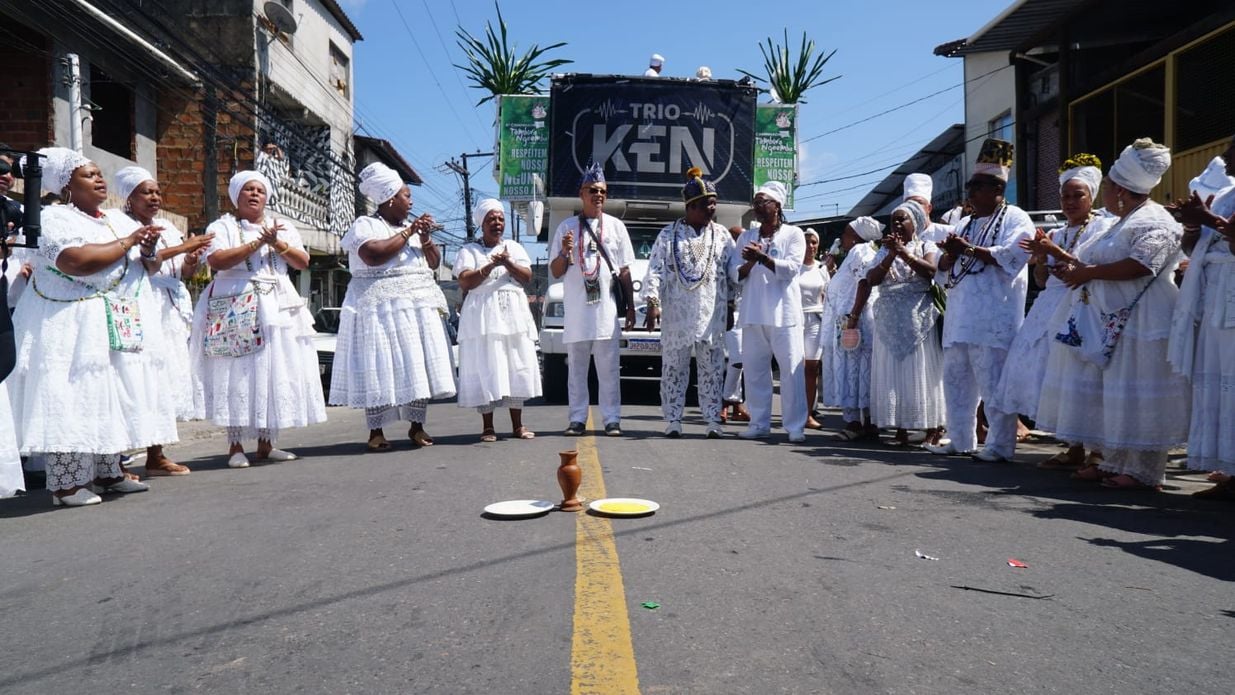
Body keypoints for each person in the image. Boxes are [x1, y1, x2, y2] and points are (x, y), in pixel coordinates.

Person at [7, 148, 172, 506]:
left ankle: (108, 471)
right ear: (66, 185)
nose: (99, 179)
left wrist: (147, 249)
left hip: (109, 320)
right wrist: (129, 242)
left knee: (106, 393)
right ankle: (66, 485)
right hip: (66, 321)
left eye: (99, 174)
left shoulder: (114, 220)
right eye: (89, 174)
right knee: (69, 394)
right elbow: (75, 261)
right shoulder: (52, 218)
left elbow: (152, 267)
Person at [1036, 138, 1188, 490]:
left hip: (1144, 317)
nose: (1103, 192)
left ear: (1120, 190)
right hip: (1111, 317)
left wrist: (1087, 273)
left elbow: (1140, 265)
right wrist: (1074, 269)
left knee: (1139, 389)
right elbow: (1097, 260)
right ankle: (1113, 460)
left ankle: (1144, 471)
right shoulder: (1122, 220)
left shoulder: (1154, 219)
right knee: (1115, 390)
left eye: (1106, 187)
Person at [190, 171, 326, 468]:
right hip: (235, 301)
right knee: (237, 370)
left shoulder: (283, 226)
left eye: (259, 190)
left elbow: (302, 262)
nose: (254, 195)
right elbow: (217, 261)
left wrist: (276, 243)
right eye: (248, 190)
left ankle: (267, 443)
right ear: (236, 196)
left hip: (277, 304)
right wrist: (255, 244)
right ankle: (235, 445)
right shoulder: (223, 225)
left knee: (272, 369)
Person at [992, 154, 1112, 468]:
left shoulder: (1104, 228)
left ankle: (1098, 449)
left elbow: (1090, 267)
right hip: (1050, 306)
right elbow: (1042, 281)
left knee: (1081, 375)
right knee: (1048, 374)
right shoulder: (1057, 232)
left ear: (1091, 196)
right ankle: (1072, 445)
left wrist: (1051, 252)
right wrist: (1042, 258)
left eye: (1078, 195)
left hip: (1083, 305)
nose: (1070, 202)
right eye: (1065, 196)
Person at [924, 138, 1034, 462]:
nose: (970, 193)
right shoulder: (965, 222)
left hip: (994, 318)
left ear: (997, 189)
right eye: (971, 186)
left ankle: (999, 446)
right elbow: (948, 269)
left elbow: (1014, 255)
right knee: (956, 381)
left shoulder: (1016, 218)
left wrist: (966, 251)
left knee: (994, 384)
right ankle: (961, 439)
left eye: (977, 186)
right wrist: (944, 263)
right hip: (960, 315)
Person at [330, 162, 453, 451]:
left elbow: (433, 263)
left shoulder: (409, 232)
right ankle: (376, 431)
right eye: (406, 195)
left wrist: (424, 238)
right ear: (389, 198)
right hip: (378, 309)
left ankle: (417, 427)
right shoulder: (366, 224)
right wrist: (410, 231)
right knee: (379, 366)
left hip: (415, 307)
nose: (411, 201)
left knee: (415, 366)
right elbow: (373, 255)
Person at [114, 167, 213, 476]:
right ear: (129, 197)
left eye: (157, 192)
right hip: (140, 304)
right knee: (132, 379)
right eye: (146, 192)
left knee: (163, 381)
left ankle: (156, 455)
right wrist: (184, 247)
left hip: (169, 310)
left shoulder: (167, 226)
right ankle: (115, 461)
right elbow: (144, 263)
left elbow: (179, 271)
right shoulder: (118, 224)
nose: (154, 197)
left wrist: (190, 260)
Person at [642, 168, 734, 438]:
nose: (713, 207)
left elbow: (732, 272)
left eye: (714, 202)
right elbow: (655, 270)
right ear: (692, 206)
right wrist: (652, 302)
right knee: (673, 368)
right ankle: (673, 420)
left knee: (712, 369)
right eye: (708, 203)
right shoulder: (668, 234)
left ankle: (712, 421)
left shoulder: (723, 235)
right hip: (677, 314)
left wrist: (731, 305)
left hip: (711, 315)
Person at [1168, 136, 1235, 498]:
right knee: (1220, 385)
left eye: (1231, 151)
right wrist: (1192, 226)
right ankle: (1228, 469)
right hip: (1215, 296)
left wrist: (1206, 217)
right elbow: (1198, 246)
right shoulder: (1226, 196)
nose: (1224, 158)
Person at [549, 162, 636, 436]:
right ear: (581, 194)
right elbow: (555, 271)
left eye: (602, 191)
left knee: (609, 369)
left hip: (606, 312)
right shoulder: (567, 226)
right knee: (576, 370)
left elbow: (624, 271)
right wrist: (564, 252)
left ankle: (612, 419)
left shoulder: (616, 227)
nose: (598, 195)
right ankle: (577, 419)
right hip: (576, 313)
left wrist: (631, 307)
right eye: (592, 190)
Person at [848, 201, 945, 446]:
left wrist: (904, 253)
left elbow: (931, 272)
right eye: (894, 221)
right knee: (896, 374)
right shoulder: (884, 251)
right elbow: (871, 279)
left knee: (922, 372)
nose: (898, 224)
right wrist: (891, 254)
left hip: (918, 318)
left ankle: (933, 428)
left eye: (903, 219)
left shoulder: (926, 245)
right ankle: (901, 430)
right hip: (890, 319)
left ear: (916, 223)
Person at [454, 198, 539, 441]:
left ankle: (518, 425)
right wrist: (490, 265)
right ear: (482, 223)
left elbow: (526, 277)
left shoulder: (514, 247)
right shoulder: (469, 250)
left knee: (515, 365)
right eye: (492, 219)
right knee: (487, 365)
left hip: (512, 315)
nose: (497, 223)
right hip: (483, 317)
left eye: (500, 219)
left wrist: (507, 262)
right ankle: (488, 426)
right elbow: (465, 281)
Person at [729, 181, 807, 442]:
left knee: (790, 371)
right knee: (754, 371)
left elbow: (792, 269)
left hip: (784, 314)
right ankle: (759, 423)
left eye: (764, 201)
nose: (758, 206)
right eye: (756, 202)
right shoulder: (746, 237)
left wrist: (763, 258)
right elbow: (734, 274)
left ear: (778, 206)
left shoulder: (793, 234)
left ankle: (795, 426)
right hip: (752, 312)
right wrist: (751, 263)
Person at [823, 216, 882, 441]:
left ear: (856, 236)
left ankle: (856, 423)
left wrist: (854, 315)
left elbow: (863, 282)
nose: (843, 238)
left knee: (854, 371)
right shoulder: (857, 253)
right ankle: (866, 422)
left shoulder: (860, 252)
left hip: (854, 322)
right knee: (857, 371)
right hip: (851, 320)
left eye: (846, 233)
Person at [798, 228, 830, 429]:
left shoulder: (822, 268)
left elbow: (828, 296)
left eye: (814, 242)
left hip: (816, 320)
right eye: (807, 242)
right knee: (795, 368)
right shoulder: (794, 267)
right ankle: (794, 412)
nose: (810, 246)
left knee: (812, 368)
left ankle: (808, 414)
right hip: (796, 319)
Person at [722, 225, 751, 423]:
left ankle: (737, 406)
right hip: (730, 312)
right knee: (737, 358)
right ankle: (723, 403)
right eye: (737, 237)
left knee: (742, 360)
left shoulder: (748, 257)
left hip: (748, 313)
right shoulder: (726, 259)